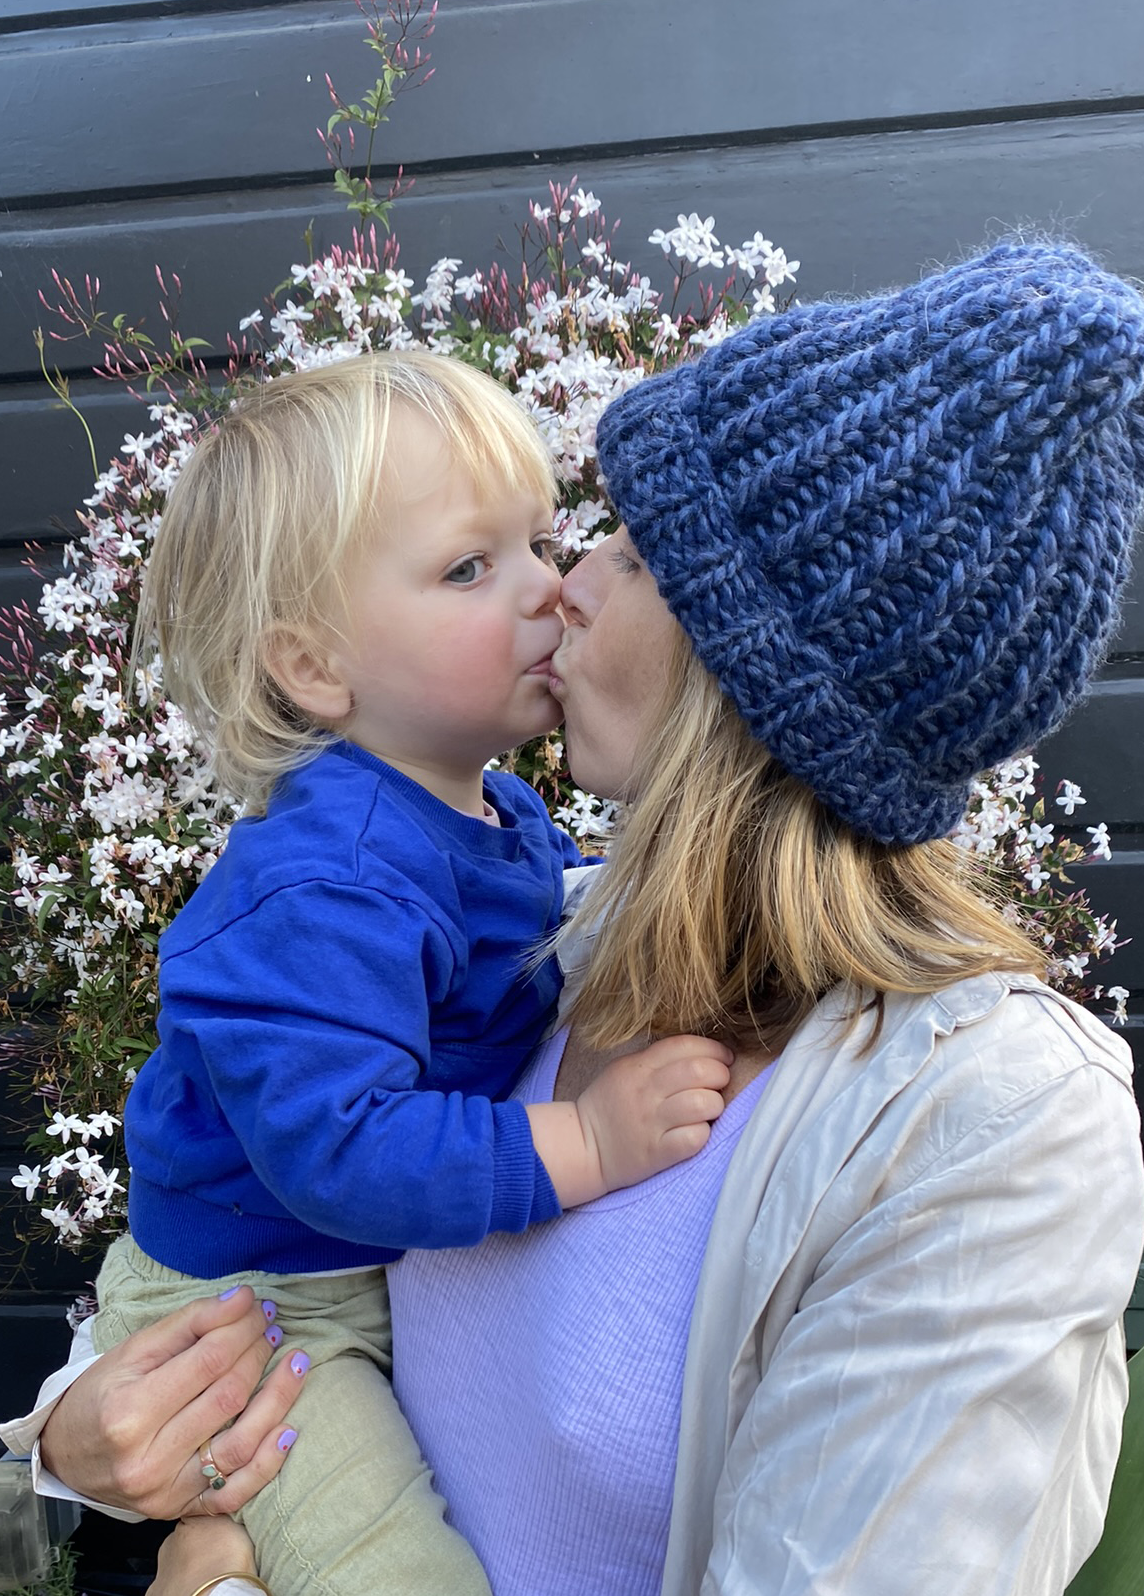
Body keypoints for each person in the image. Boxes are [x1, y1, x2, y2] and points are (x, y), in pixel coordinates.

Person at [6, 239, 1144, 1596]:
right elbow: (269, 1230)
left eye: (632, 553)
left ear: (752, 672)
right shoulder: (556, 928)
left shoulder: (985, 1125)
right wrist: (69, 1445)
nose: (568, 585)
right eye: (513, 556)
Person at [53, 351, 733, 1596]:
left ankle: (225, 1562)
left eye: (540, 541)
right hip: (255, 1313)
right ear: (315, 668)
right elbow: (344, 1149)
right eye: (470, 569)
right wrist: (584, 1141)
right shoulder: (324, 882)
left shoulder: (497, 817)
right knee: (402, 1573)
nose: (554, 593)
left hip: (344, 1281)